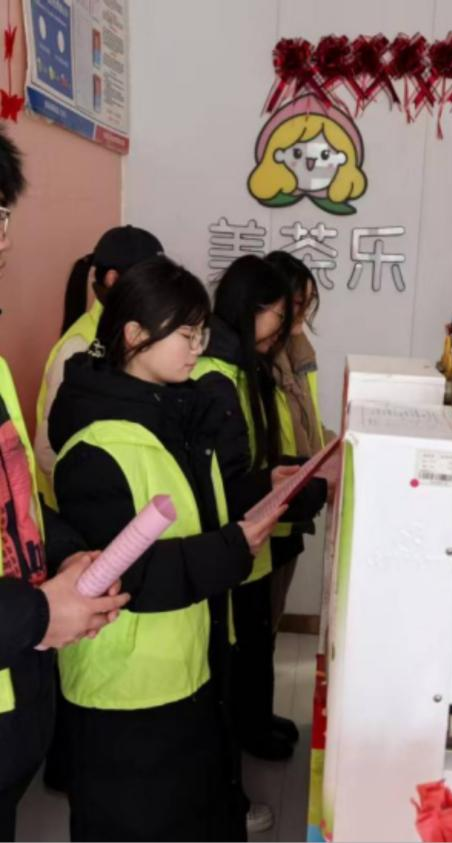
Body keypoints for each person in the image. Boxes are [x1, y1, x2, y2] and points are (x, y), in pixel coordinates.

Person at [47, 256, 285, 840]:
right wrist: (230, 550)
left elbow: (201, 508)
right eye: (186, 334)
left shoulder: (175, 412)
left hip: (186, 665)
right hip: (123, 691)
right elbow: (123, 577)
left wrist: (272, 489)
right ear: (134, 335)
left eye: (202, 333)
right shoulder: (95, 444)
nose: (198, 348)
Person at [0, 127, 129, 843]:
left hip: (16, 705)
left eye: (3, 217)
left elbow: (17, 498)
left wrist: (69, 554)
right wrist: (36, 613)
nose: (4, 243)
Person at [193, 254, 328, 776]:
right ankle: (237, 755)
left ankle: (255, 723)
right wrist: (286, 482)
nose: (293, 320)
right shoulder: (218, 375)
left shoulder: (247, 363)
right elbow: (226, 481)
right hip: (238, 536)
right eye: (285, 310)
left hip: (260, 527)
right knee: (240, 647)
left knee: (256, 636)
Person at [34, 226, 164, 499]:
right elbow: (47, 449)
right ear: (113, 279)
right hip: (77, 510)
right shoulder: (80, 346)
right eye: (147, 281)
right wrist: (96, 499)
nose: (156, 293)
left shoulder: (130, 336)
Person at [262, 251, 335, 638]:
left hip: (294, 505)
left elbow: (307, 424)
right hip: (269, 512)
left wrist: (339, 448)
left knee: (269, 622)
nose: (303, 311)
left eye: (308, 302)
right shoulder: (258, 362)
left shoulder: (298, 351)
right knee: (258, 628)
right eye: (296, 301)